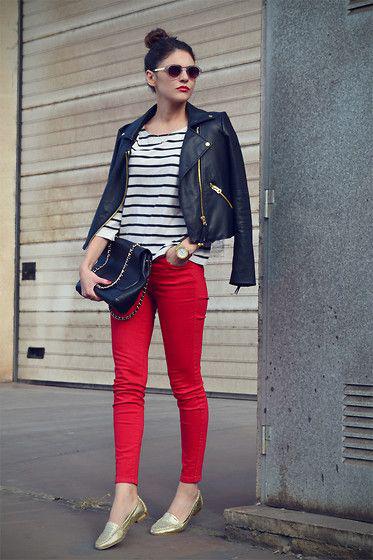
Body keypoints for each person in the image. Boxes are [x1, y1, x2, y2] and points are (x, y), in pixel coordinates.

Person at [78, 27, 256, 550]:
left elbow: (227, 204)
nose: (186, 78)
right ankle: (125, 495)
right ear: (151, 78)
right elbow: (116, 206)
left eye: (193, 71)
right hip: (129, 271)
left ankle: (188, 489)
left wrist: (186, 247)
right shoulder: (130, 135)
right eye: (176, 70)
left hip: (179, 273)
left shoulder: (211, 130)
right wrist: (87, 264)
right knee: (127, 384)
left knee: (186, 384)